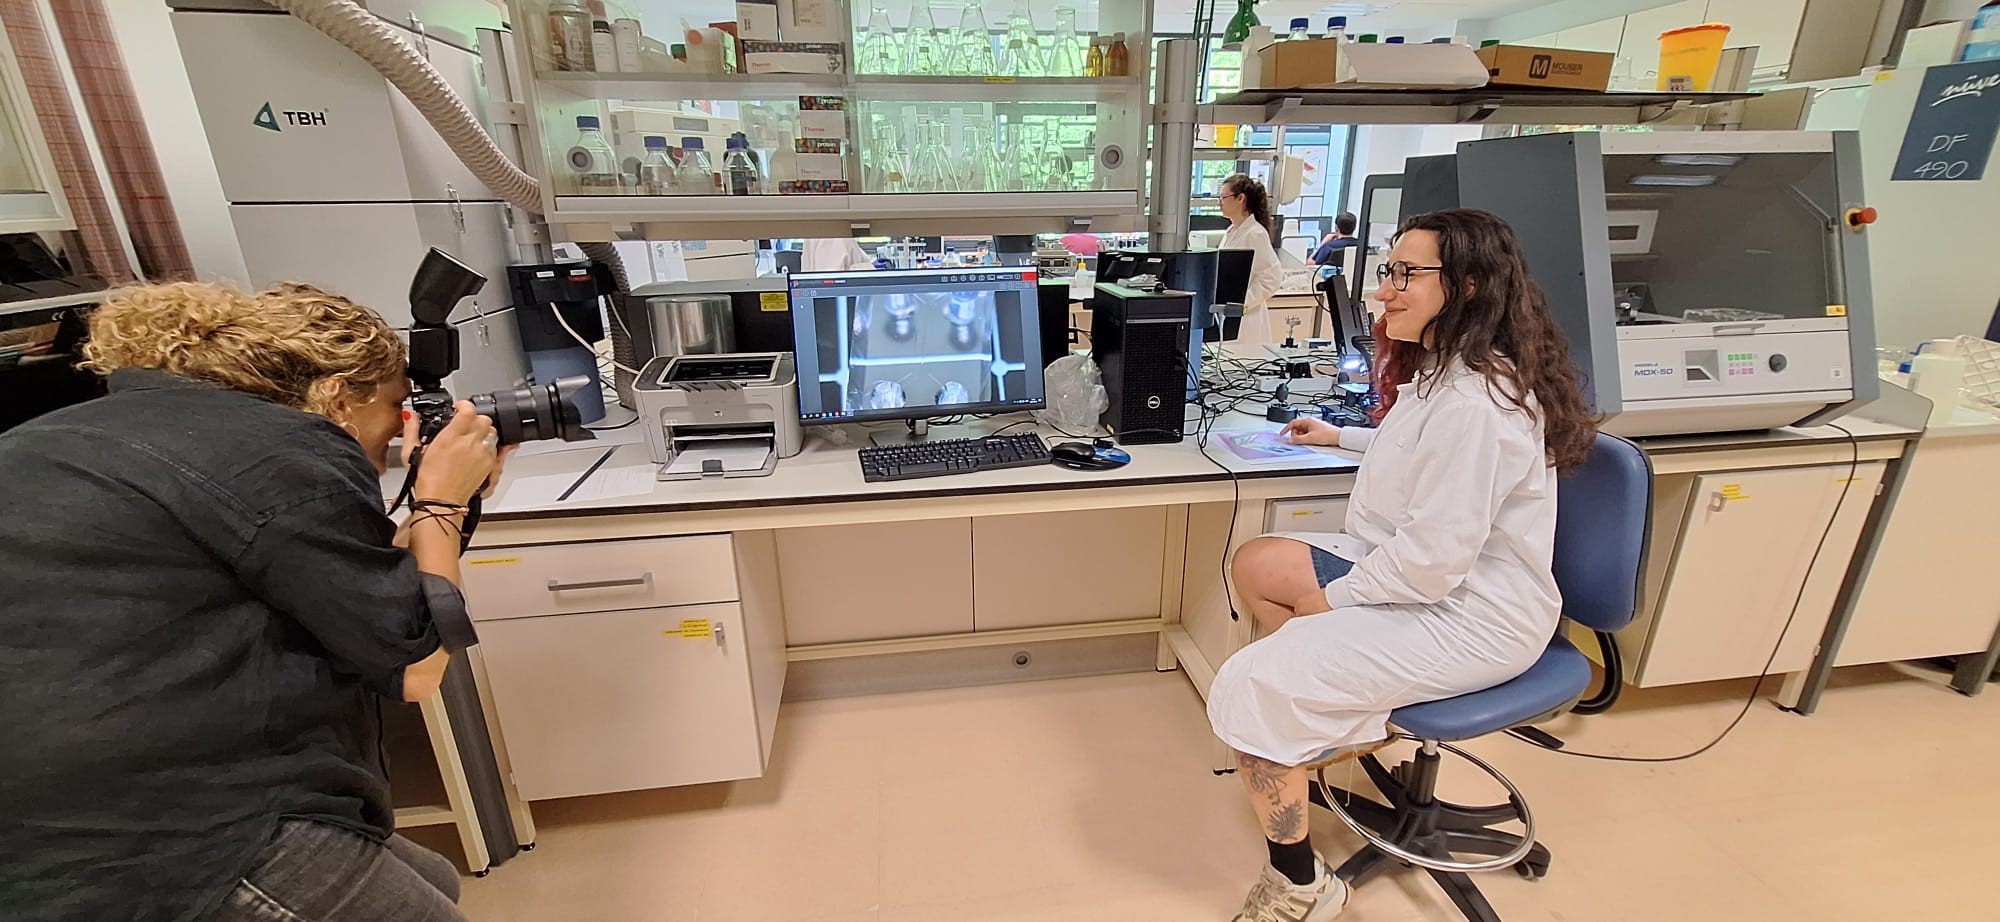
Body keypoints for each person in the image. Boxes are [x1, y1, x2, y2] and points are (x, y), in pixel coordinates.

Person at [0, 281, 505, 922]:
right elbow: (414, 666)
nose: (402, 429)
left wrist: (450, 500)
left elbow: (365, 589)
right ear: (338, 395)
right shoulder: (284, 451)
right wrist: (442, 501)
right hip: (163, 830)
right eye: (396, 405)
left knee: (434, 877)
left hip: (43, 813)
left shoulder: (67, 433)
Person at [1206, 209, 1596, 922]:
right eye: (1388, 271)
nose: (1382, 290)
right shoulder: (1453, 373)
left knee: (1251, 684)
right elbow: (1419, 454)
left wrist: (1328, 607)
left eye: (1405, 274)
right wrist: (1341, 436)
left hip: (1468, 613)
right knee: (1260, 563)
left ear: (1469, 286)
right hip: (1429, 576)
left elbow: (1431, 564)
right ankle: (1324, 720)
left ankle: (1300, 885)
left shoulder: (1477, 406)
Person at [1218, 173, 1286, 346]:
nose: (1220, 202)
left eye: (1224, 197)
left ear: (1240, 198)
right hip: (1229, 314)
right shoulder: (1232, 231)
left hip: (1247, 318)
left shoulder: (1255, 234)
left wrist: (1242, 303)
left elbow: (1271, 278)